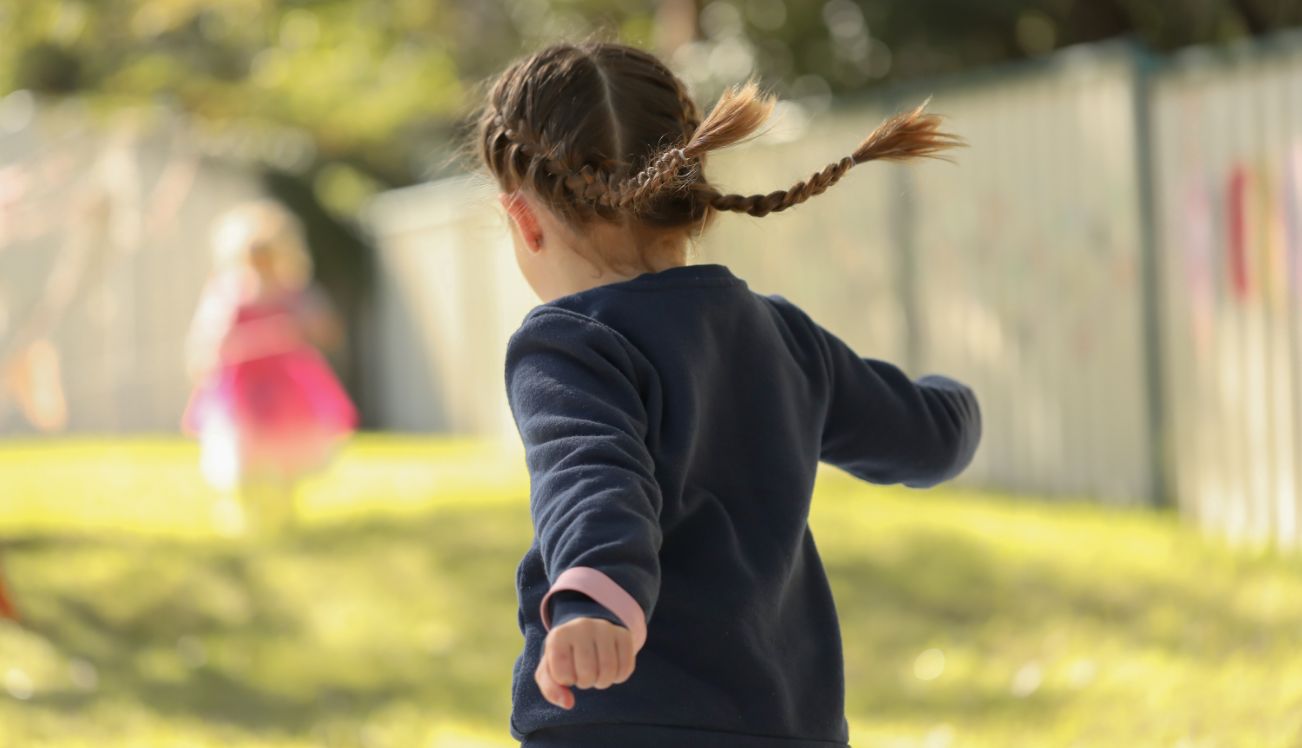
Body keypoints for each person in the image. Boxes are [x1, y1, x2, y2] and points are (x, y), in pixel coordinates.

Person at [481, 43, 982, 748]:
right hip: (786, 719)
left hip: (626, 714)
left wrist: (596, 593)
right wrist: (957, 403)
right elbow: (926, 439)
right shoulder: (782, 335)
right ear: (688, 190)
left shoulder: (568, 344)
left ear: (524, 220)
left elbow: (589, 472)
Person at [183, 201, 357, 535]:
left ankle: (285, 510)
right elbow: (208, 338)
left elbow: (325, 329)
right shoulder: (228, 293)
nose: (260, 265)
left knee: (286, 451)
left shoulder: (293, 292)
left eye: (267, 256)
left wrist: (298, 329)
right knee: (244, 451)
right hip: (241, 389)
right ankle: (247, 512)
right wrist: (222, 348)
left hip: (284, 387)